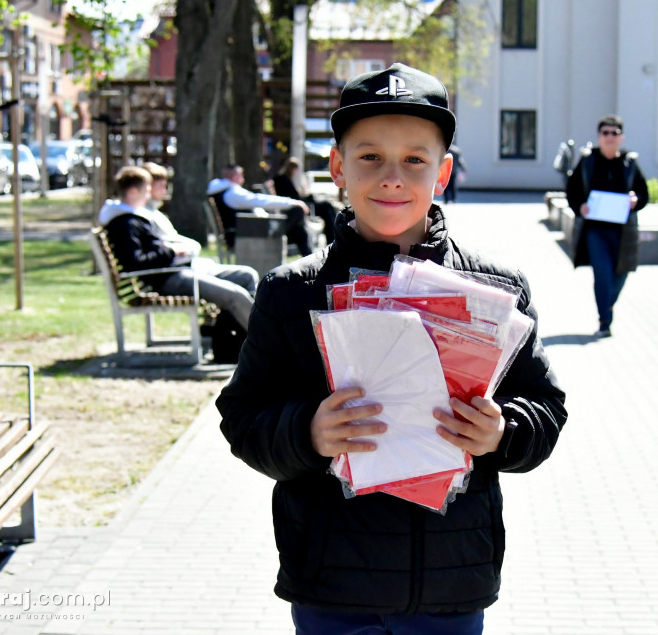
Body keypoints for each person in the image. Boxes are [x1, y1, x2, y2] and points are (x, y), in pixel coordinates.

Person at [217, 63, 567, 634]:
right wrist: (306, 432)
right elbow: (243, 419)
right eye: (370, 157)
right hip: (332, 583)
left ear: (443, 172)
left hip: (451, 582)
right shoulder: (291, 293)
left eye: (414, 159)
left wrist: (503, 433)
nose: (392, 177)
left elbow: (546, 411)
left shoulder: (496, 291)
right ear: (337, 168)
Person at [99, 166, 258, 356]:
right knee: (235, 296)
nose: (150, 194)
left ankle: (237, 341)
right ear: (133, 191)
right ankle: (269, 344)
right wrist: (171, 251)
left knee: (245, 276)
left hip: (178, 271)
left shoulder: (134, 218)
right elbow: (136, 262)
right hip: (167, 278)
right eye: (146, 190)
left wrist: (172, 251)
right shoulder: (124, 223)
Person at [565, 114, 649, 338]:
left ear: (621, 137)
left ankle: (607, 305)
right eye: (605, 133)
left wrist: (635, 200)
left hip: (623, 233)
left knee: (621, 273)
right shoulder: (588, 161)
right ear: (599, 137)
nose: (609, 137)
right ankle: (604, 320)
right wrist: (579, 207)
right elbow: (572, 190)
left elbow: (644, 193)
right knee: (602, 274)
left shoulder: (630, 164)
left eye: (614, 133)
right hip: (595, 232)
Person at [207, 164, 314, 256]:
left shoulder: (222, 192)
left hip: (244, 234)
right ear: (234, 176)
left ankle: (312, 266)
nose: (243, 179)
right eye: (241, 175)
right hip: (246, 237)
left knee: (300, 233)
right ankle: (313, 266)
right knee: (297, 212)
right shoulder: (232, 193)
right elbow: (261, 200)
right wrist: (293, 202)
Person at [270, 156, 340, 245]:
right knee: (327, 208)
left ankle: (333, 237)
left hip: (302, 204)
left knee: (328, 207)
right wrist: (305, 196)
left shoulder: (284, 179)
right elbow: (294, 196)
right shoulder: (283, 179)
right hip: (300, 207)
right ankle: (332, 238)